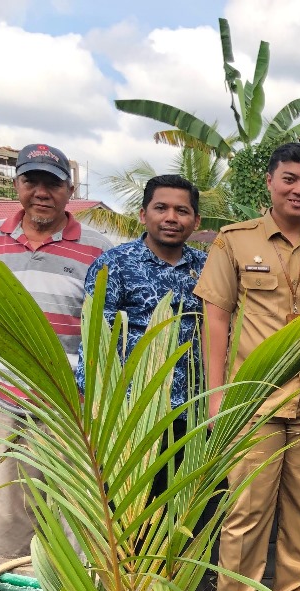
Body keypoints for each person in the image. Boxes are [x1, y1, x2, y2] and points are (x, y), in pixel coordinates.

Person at [194, 142, 300, 591]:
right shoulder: (234, 242)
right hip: (253, 399)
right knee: (246, 508)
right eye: (290, 179)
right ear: (270, 181)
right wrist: (217, 397)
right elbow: (215, 318)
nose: (299, 189)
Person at [0, 143, 112, 558]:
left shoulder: (97, 248)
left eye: (51, 183)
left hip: (71, 403)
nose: (41, 191)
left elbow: (105, 330)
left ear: (68, 190)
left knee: (75, 509)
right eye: (31, 180)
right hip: (7, 398)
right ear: (16, 184)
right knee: (5, 507)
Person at [78, 174, 205, 492]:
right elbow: (95, 337)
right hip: (130, 415)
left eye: (182, 210)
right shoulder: (115, 265)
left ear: (195, 219)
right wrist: (90, 406)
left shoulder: (207, 267)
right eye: (161, 208)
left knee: (184, 513)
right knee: (127, 512)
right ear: (143, 213)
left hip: (192, 412)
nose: (171, 218)